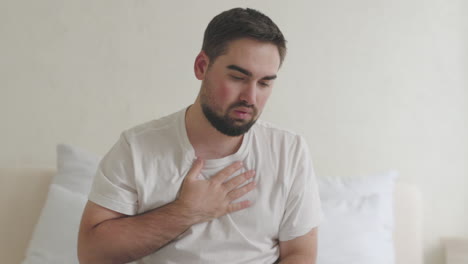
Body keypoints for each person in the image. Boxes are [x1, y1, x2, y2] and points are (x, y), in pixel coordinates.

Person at [78, 7, 322, 264]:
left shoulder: (288, 149)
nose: (250, 98)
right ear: (202, 66)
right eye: (238, 77)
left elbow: (300, 253)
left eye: (264, 83)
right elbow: (92, 254)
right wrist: (186, 212)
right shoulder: (137, 148)